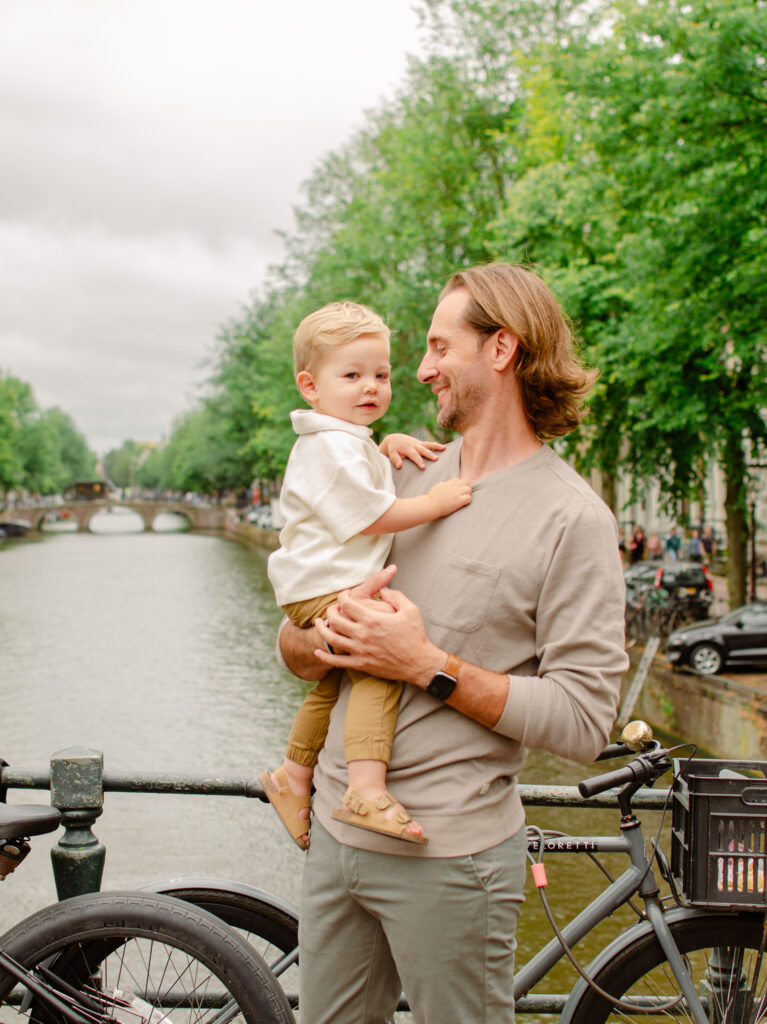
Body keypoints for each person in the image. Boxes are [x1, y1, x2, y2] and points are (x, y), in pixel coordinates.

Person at [278, 263, 629, 1024]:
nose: (419, 369)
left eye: (439, 347)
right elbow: (294, 646)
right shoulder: (394, 478)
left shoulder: (573, 520)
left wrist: (425, 666)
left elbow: (581, 722)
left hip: (450, 859)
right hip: (335, 835)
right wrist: (323, 640)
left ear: (499, 349)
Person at [261, 301, 472, 851]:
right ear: (309, 386)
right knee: (379, 662)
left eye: (381, 374)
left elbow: (357, 477)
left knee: (331, 684)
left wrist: (386, 446)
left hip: (313, 585)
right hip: (327, 585)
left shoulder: (339, 441)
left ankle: (293, 776)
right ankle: (366, 789)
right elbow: (372, 515)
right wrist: (437, 500)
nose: (370, 387)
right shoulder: (330, 446)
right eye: (351, 375)